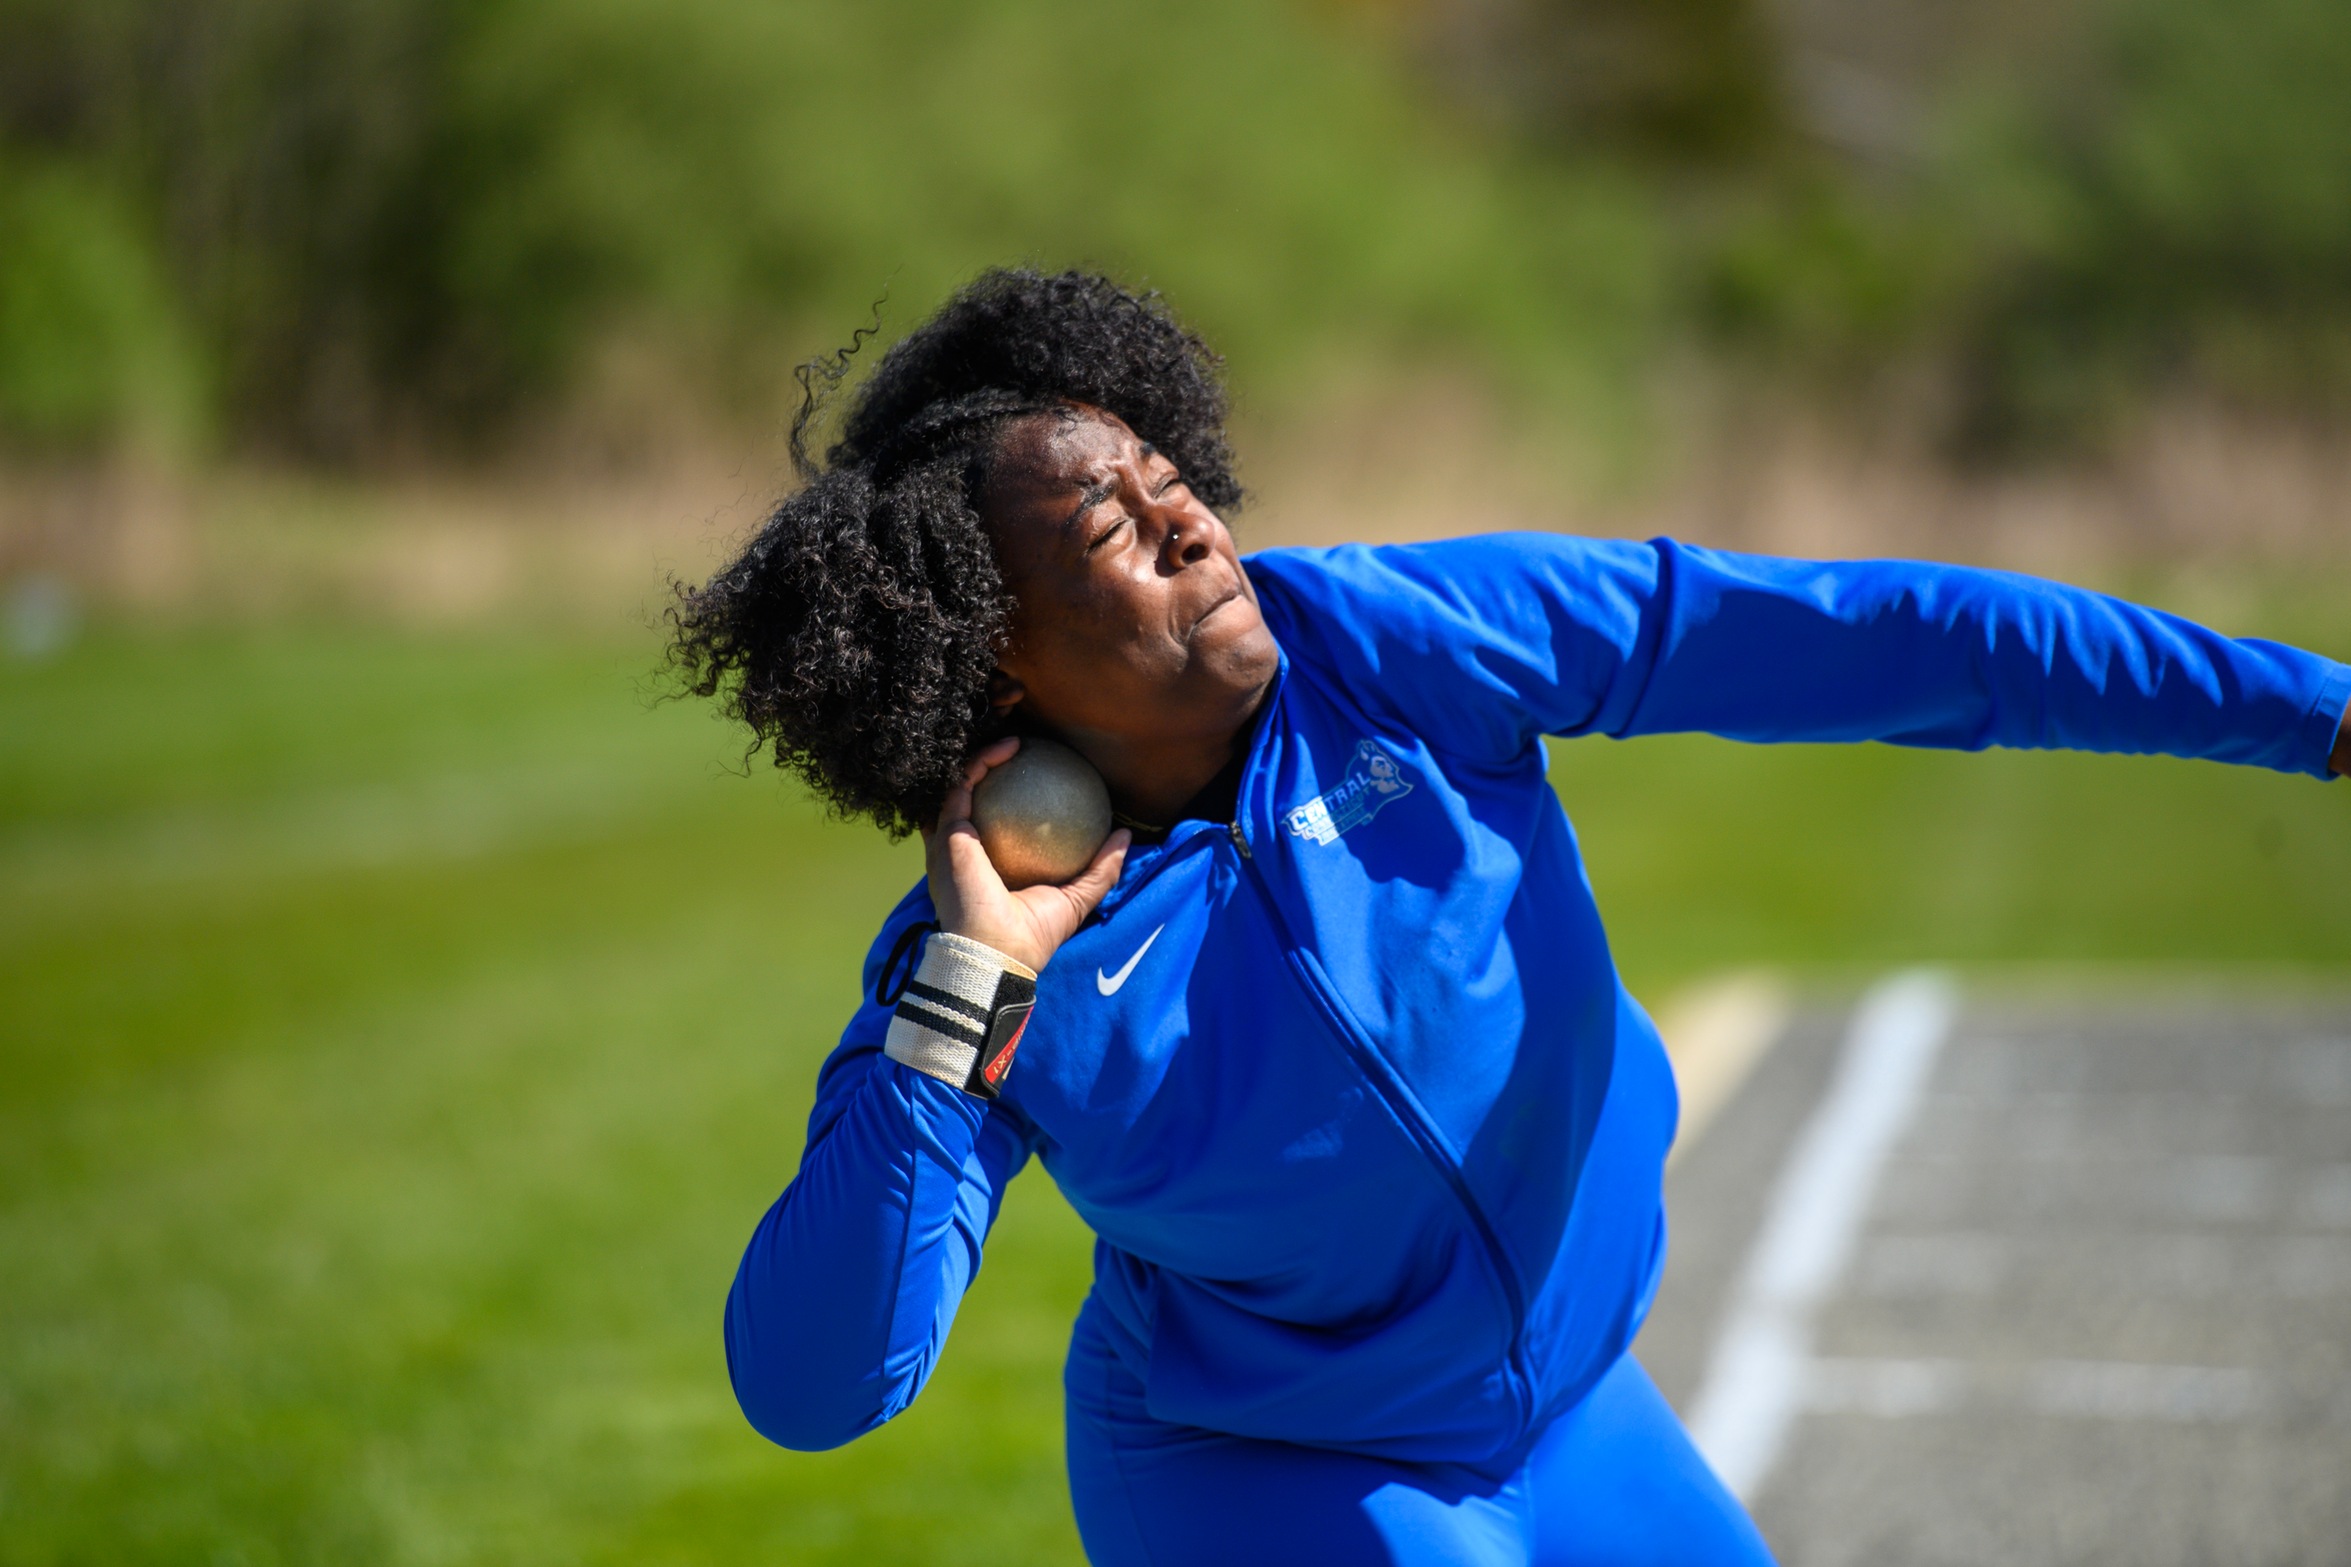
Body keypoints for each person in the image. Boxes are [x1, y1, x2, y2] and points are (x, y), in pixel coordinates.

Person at [670, 269, 2351, 1566]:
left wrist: (2318, 711)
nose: (1192, 520)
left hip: (1573, 1410)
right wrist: (964, 998)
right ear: (999, 654)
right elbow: (817, 1388)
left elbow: (1880, 637)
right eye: (1113, 526)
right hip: (1274, 1474)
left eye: (1174, 479)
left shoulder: (1392, 641)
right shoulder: (980, 964)